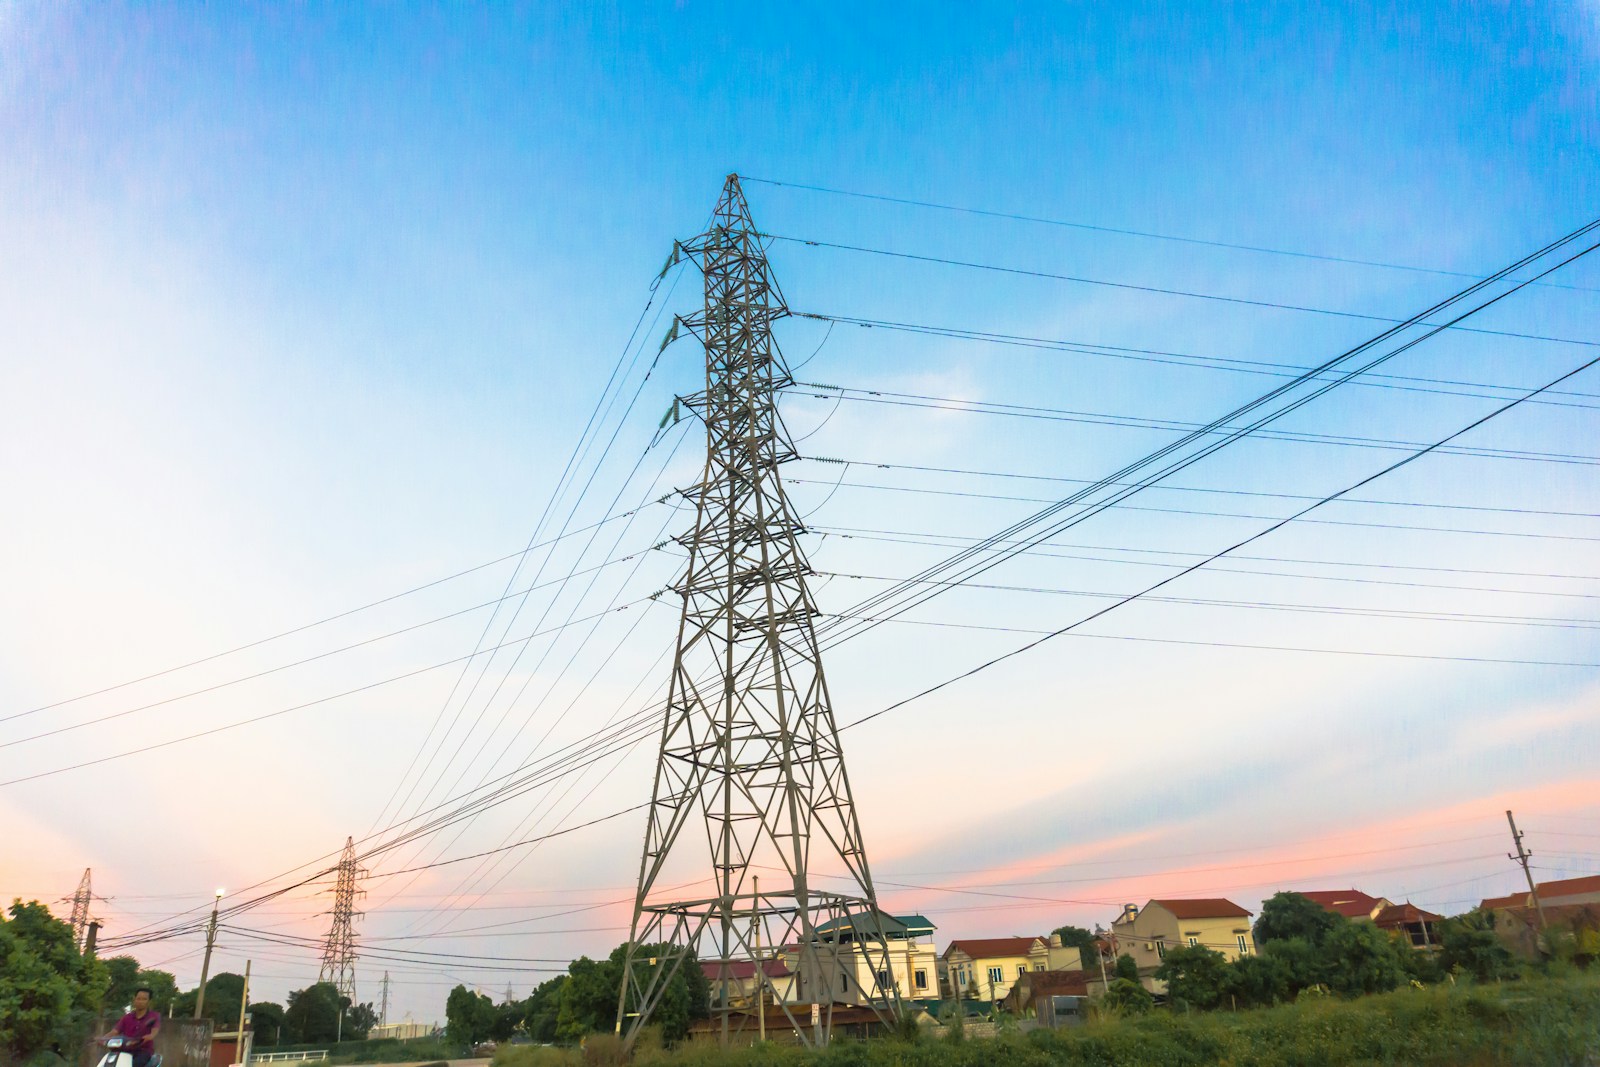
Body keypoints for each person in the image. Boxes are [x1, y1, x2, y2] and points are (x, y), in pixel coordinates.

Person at [103, 987, 161, 1067]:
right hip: (125, 1050)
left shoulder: (154, 1016)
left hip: (143, 1051)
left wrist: (150, 1036)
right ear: (135, 1000)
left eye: (144, 999)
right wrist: (103, 1039)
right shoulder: (127, 1017)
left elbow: (155, 1030)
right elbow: (115, 1031)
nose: (140, 1001)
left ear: (149, 1002)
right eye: (138, 998)